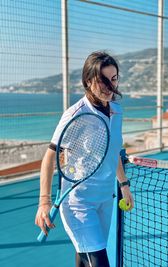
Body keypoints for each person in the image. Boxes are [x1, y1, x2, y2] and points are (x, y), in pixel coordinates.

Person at [35, 51, 134, 267]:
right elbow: (49, 157)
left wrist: (124, 184)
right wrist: (44, 201)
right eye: (103, 81)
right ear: (88, 82)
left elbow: (113, 150)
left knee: (85, 258)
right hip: (79, 204)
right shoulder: (76, 114)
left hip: (105, 200)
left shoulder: (117, 111)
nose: (110, 86)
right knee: (99, 262)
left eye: (114, 79)